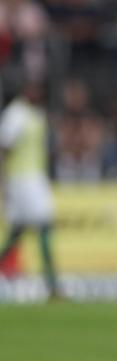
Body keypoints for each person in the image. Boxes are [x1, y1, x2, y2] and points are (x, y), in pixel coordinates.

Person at [0, 81, 58, 297]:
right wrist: (3, 184)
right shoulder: (15, 114)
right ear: (25, 90)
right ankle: (52, 285)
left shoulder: (37, 114)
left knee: (19, 231)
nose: (38, 92)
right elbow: (4, 150)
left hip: (35, 178)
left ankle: (52, 284)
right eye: (34, 88)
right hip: (22, 180)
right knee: (44, 225)